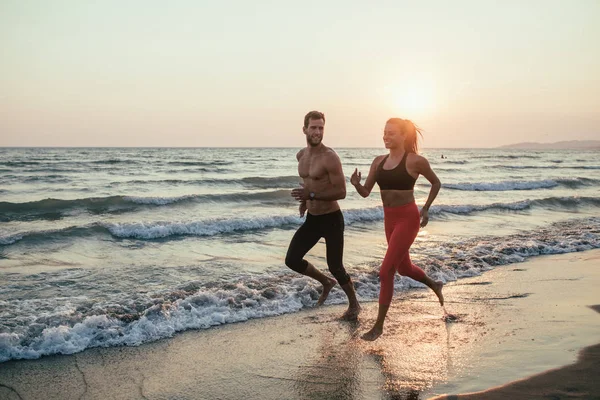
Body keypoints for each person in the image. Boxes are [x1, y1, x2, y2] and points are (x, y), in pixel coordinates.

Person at [350, 118, 444, 340]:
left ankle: (378, 326)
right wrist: (356, 184)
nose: (386, 136)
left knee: (386, 272)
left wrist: (426, 209)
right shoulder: (378, 162)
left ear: (403, 136)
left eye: (391, 133)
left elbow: (436, 183)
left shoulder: (415, 161)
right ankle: (435, 284)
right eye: (384, 132)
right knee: (404, 268)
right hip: (389, 219)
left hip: (407, 218)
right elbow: (366, 192)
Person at [286, 110, 361, 320]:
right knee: (292, 259)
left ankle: (354, 304)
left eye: (321, 128)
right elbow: (309, 183)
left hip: (332, 219)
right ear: (304, 129)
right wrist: (305, 202)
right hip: (313, 219)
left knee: (336, 266)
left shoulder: (330, 157)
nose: (318, 132)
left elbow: (341, 192)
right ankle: (326, 282)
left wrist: (310, 194)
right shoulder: (301, 155)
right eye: (314, 127)